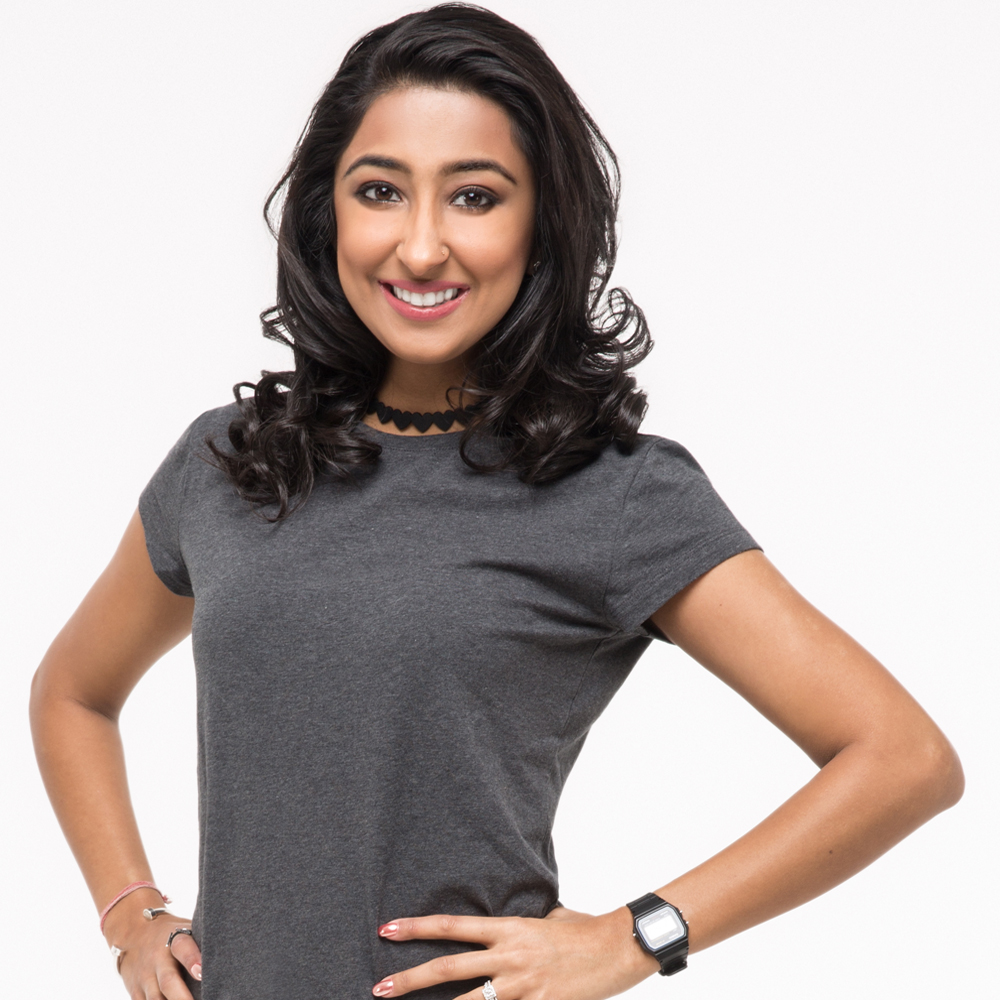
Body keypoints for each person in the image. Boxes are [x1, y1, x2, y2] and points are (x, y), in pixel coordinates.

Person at [30, 5, 964, 1000]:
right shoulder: (230, 460)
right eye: (380, 191)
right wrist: (130, 912)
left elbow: (903, 758)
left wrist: (630, 939)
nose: (421, 246)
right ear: (327, 213)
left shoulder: (614, 494)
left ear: (540, 223)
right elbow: (73, 692)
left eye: (474, 197)